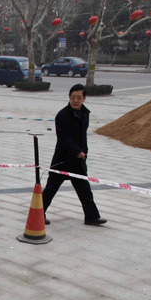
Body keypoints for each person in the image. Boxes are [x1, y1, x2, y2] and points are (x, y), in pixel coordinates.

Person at [42, 84, 106, 226]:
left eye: (78, 97)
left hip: (78, 160)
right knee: (51, 188)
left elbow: (83, 136)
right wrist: (77, 150)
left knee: (85, 190)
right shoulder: (62, 115)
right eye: (73, 97)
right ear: (69, 98)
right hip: (63, 159)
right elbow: (62, 137)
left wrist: (84, 152)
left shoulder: (85, 113)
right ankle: (38, 214)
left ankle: (91, 217)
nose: (75, 100)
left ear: (84, 98)